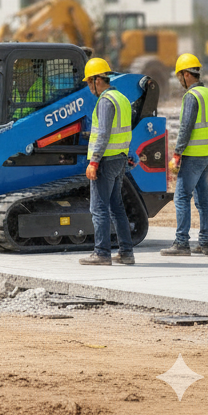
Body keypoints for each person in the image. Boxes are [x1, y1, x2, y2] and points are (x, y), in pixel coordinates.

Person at [161, 53, 208, 257]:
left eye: (180, 76)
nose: (180, 81)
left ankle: (181, 243)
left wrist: (177, 153)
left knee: (181, 197)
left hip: (194, 154)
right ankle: (205, 243)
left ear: (187, 74)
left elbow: (186, 127)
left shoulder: (191, 96)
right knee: (203, 199)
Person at [79, 57, 135, 266]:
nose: (88, 87)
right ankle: (126, 253)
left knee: (99, 207)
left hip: (105, 160)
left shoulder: (105, 101)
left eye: (88, 82)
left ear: (96, 80)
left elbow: (103, 134)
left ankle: (102, 253)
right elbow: (125, 131)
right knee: (116, 206)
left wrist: (93, 161)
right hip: (119, 158)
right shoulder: (122, 98)